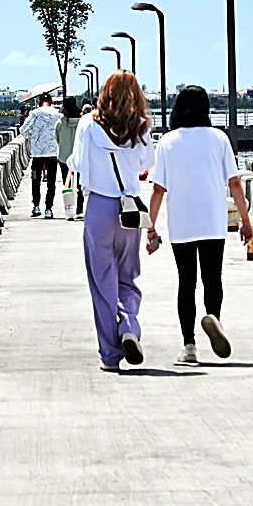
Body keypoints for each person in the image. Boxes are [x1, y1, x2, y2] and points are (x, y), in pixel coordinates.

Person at [145, 86, 251, 363]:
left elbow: (158, 189)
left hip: (182, 223)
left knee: (186, 282)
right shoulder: (219, 138)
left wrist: (151, 226)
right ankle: (213, 317)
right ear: (206, 109)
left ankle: (189, 346)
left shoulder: (167, 142)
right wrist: (246, 221)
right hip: (213, 221)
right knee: (212, 278)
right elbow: (235, 184)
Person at [69, 71, 154, 371]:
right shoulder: (142, 124)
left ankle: (110, 355)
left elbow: (77, 163)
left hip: (99, 208)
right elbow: (148, 163)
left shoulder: (87, 124)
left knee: (102, 283)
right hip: (129, 209)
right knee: (128, 276)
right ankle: (129, 324)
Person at [21, 93, 63, 218]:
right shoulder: (58, 114)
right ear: (51, 102)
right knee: (51, 182)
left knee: (35, 179)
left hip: (37, 154)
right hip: (53, 153)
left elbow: (23, 130)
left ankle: (36, 206)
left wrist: (32, 136)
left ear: (39, 102)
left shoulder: (34, 113)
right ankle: (49, 209)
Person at [55, 96, 82, 220]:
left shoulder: (60, 123)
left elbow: (57, 139)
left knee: (68, 184)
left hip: (64, 156)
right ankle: (80, 209)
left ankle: (69, 209)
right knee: (81, 183)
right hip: (80, 156)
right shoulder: (82, 122)